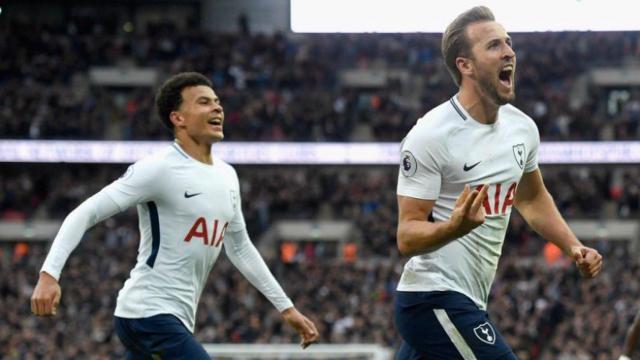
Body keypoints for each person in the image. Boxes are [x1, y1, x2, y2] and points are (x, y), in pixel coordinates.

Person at [31, 72, 318, 359]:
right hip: (147, 313)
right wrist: (49, 274)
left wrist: (287, 308)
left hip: (175, 319)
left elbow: (240, 248)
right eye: (204, 102)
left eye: (217, 102)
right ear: (178, 118)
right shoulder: (158, 169)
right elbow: (85, 213)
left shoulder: (228, 176)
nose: (217, 108)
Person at [394, 6, 603, 359]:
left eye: (508, 42)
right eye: (494, 45)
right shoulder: (430, 135)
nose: (509, 51)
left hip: (470, 298)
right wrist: (454, 227)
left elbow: (532, 198)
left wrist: (572, 247)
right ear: (466, 65)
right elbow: (407, 235)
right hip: (432, 298)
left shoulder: (522, 129)